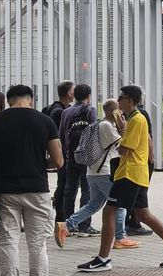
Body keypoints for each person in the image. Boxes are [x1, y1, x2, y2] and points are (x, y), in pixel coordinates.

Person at [77, 85, 163, 272]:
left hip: (129, 172)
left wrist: (121, 131)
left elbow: (124, 148)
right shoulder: (135, 119)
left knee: (109, 211)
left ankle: (103, 258)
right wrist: (122, 129)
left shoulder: (136, 119)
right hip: (137, 172)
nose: (118, 101)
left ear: (130, 100)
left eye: (121, 98)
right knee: (143, 214)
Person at [0, 84, 64, 276]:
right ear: (31, 100)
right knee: (37, 243)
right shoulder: (45, 121)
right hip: (37, 189)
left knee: (8, 242)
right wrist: (39, 163)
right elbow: (58, 161)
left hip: (6, 191)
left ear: (9, 100)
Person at [55, 99, 137, 250]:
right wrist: (124, 127)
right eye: (119, 110)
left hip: (93, 172)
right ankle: (120, 238)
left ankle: (66, 225)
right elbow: (122, 146)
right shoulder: (106, 126)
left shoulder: (100, 124)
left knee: (94, 204)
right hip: (104, 172)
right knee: (119, 205)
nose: (122, 112)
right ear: (114, 111)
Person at [58, 83, 97, 236]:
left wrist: (67, 150)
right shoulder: (91, 110)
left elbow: (61, 134)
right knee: (87, 190)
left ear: (74, 95)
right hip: (87, 157)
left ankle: (69, 223)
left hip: (71, 156)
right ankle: (84, 225)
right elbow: (94, 132)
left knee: (70, 190)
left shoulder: (66, 112)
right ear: (88, 96)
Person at [46, 80, 75, 222]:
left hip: (63, 153)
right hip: (62, 154)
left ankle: (61, 215)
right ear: (69, 93)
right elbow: (57, 136)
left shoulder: (62, 108)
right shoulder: (58, 111)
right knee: (64, 185)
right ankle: (61, 217)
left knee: (63, 184)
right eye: (73, 90)